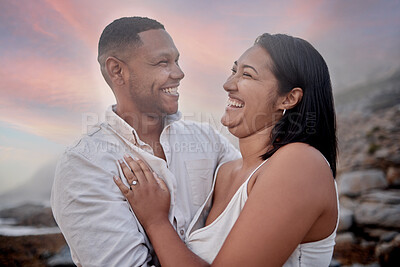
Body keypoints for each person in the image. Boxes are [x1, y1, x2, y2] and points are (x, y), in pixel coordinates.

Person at [114, 33, 339, 267]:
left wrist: (156, 222)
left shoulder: (300, 164)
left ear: (289, 98)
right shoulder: (225, 172)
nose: (228, 84)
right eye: (234, 71)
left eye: (247, 75)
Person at [51, 17, 240, 267]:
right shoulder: (85, 164)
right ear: (117, 71)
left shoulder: (208, 140)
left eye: (177, 60)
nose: (179, 73)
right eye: (163, 62)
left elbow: (251, 204)